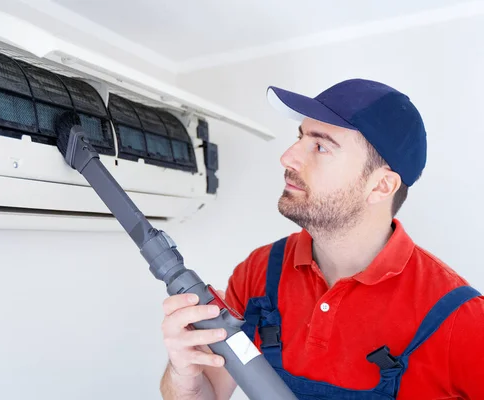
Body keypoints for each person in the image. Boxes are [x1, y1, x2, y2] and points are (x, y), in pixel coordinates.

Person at [158, 79, 484, 399]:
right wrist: (183, 376)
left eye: (320, 146)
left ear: (381, 186)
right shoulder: (258, 273)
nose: (288, 157)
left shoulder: (462, 319)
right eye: (299, 138)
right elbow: (211, 393)